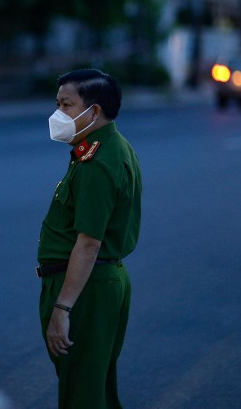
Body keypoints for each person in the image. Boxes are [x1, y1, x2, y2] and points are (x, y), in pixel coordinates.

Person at [37, 68, 142, 409]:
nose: (58, 114)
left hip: (86, 288)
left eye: (66, 105)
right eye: (57, 104)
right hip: (93, 283)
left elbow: (89, 242)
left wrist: (62, 308)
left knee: (81, 394)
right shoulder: (102, 147)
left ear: (93, 111)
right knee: (94, 388)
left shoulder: (99, 161)